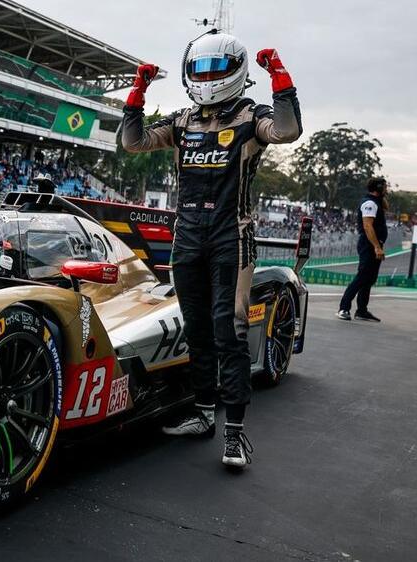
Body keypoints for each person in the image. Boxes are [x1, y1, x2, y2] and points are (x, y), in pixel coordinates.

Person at [121, 30, 303, 469]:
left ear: (236, 70)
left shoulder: (250, 116)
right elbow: (133, 142)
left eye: (214, 69)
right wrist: (138, 92)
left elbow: (287, 130)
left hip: (231, 237)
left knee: (230, 331)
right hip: (187, 237)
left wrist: (280, 77)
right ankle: (203, 414)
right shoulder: (183, 121)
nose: (206, 77)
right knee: (197, 329)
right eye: (199, 69)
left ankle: (235, 434)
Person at [338, 178, 389, 322]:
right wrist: (376, 247)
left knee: (370, 278)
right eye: (384, 187)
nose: (386, 189)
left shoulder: (377, 201)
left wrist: (382, 195)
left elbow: (386, 206)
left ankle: (361, 310)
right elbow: (367, 226)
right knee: (362, 276)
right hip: (369, 244)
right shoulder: (369, 203)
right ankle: (344, 308)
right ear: (378, 188)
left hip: (375, 244)